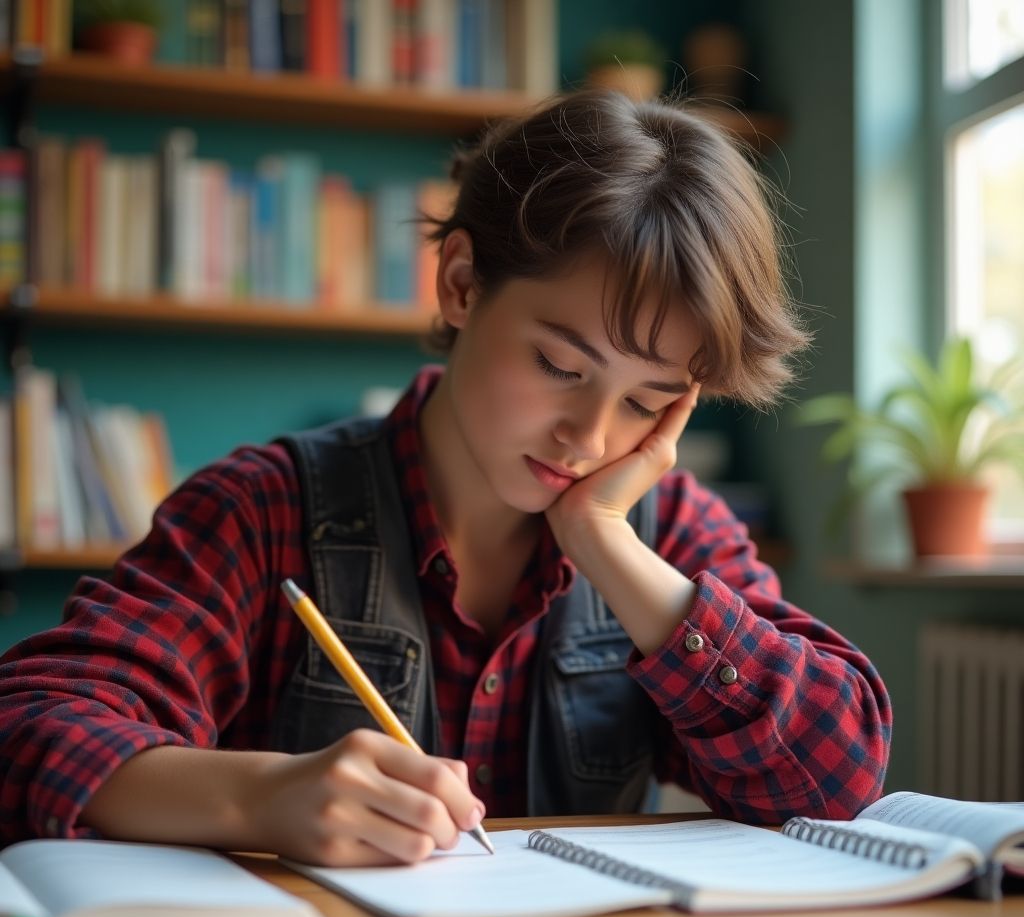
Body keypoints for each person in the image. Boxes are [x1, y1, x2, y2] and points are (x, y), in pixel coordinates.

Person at [0, 90, 891, 867]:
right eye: (559, 364)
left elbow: (835, 778)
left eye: (648, 401)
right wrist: (258, 799)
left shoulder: (669, 532)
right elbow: (30, 730)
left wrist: (606, 545)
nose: (590, 435)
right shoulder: (264, 509)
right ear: (461, 284)